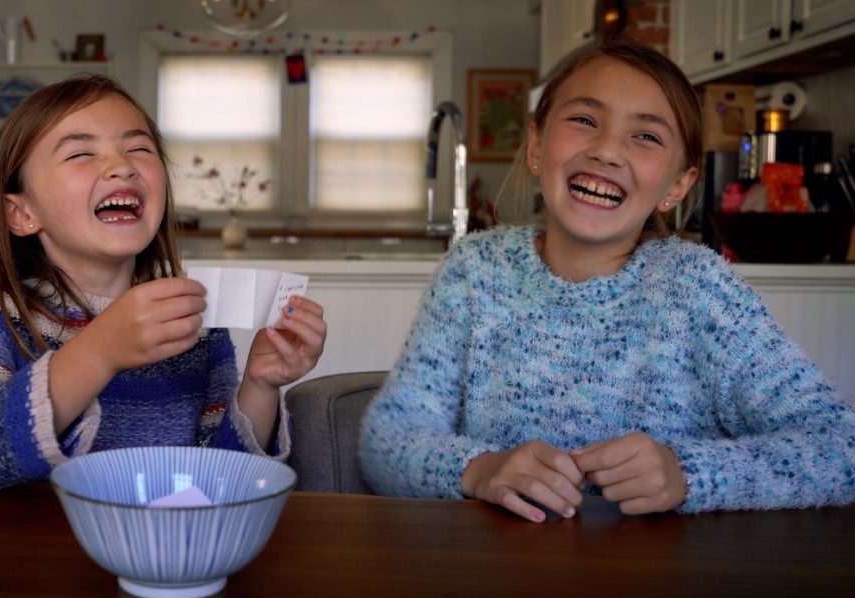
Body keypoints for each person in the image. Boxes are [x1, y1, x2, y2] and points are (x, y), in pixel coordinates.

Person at [359, 39, 855, 522]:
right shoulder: (473, 272)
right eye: (583, 120)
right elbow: (387, 439)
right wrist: (477, 469)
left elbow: (840, 445)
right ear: (535, 144)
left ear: (677, 184)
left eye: (646, 136)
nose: (606, 150)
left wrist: (688, 474)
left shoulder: (701, 290)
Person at [0, 75, 326, 490]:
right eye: (81, 153)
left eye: (139, 148)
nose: (123, 166)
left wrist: (260, 385)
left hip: (164, 547)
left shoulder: (195, 318)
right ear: (22, 213)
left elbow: (220, 480)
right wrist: (99, 352)